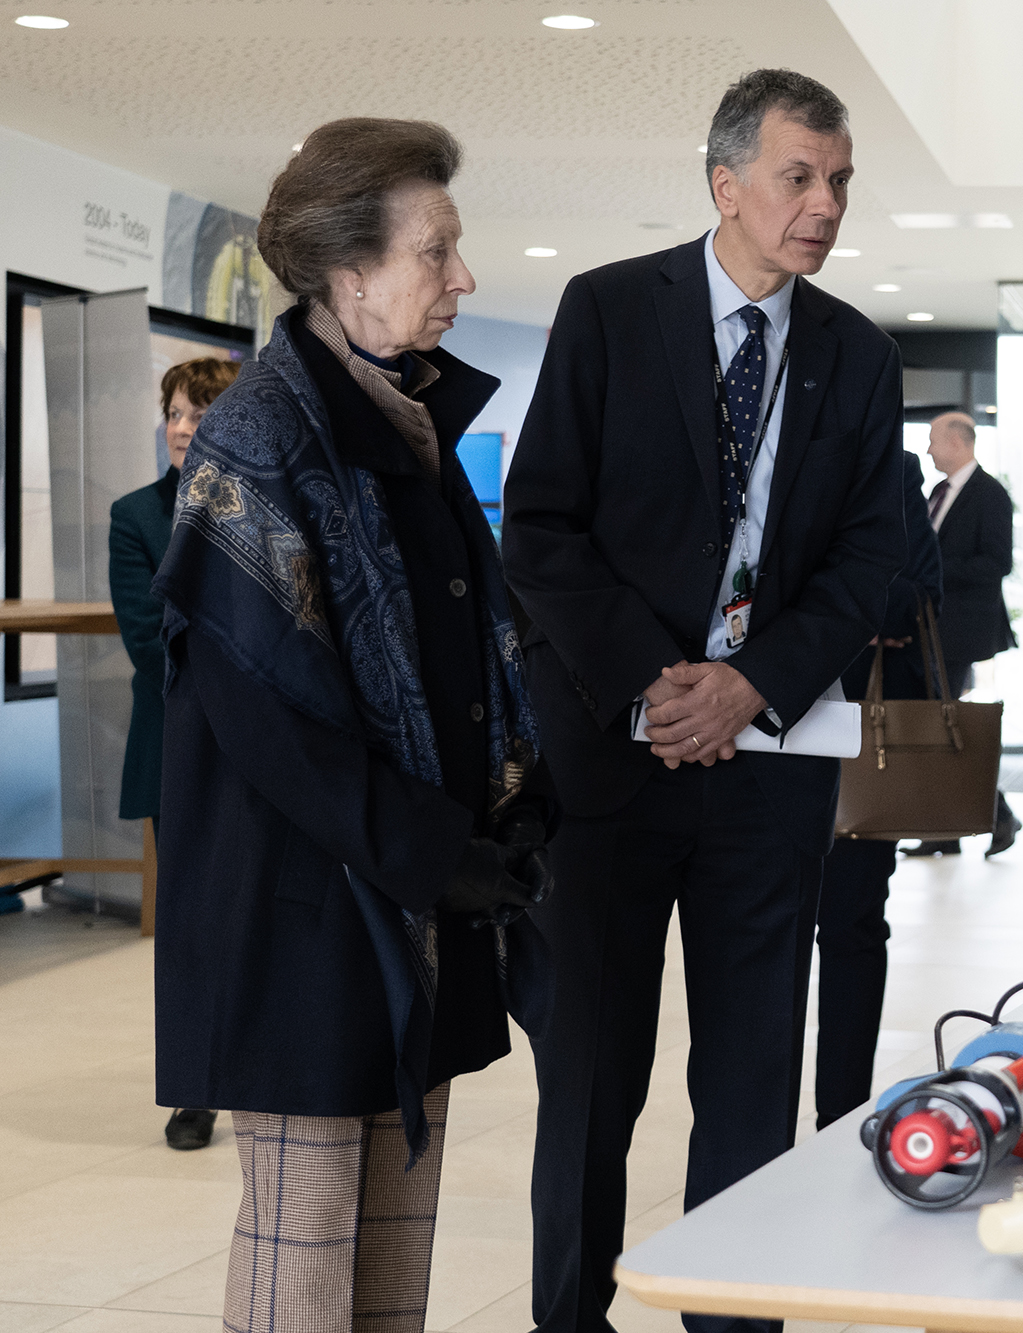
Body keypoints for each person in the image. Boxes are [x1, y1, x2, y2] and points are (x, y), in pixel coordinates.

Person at [502, 69, 905, 1333]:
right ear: (725, 184)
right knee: (590, 1079)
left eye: (839, 180)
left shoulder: (857, 352)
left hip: (770, 768)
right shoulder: (611, 309)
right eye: (799, 176)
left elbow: (871, 562)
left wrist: (749, 684)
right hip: (612, 766)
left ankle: (733, 1318)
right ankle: (568, 1317)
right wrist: (655, 684)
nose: (825, 203)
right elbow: (542, 526)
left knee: (747, 1082)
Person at [150, 117, 554, 1333]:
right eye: (437, 252)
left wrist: (507, 805)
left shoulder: (401, 422)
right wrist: (434, 847)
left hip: (404, 886)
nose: (461, 278)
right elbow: (263, 710)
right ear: (350, 272)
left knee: (393, 1238)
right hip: (304, 901)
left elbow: (468, 645)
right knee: (304, 1237)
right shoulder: (261, 435)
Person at [109, 354, 238, 1152]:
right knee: (189, 926)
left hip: (267, 751)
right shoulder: (136, 514)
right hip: (179, 742)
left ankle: (253, 1063)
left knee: (250, 918)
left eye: (197, 414)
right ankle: (194, 1086)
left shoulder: (258, 501)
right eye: (174, 412)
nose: (182, 428)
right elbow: (146, 638)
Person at [815, 449, 944, 1128]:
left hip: (868, 742)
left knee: (852, 924)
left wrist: (826, 601)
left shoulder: (889, 473)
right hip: (752, 738)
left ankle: (839, 1115)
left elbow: (919, 593)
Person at [905, 409, 1019, 856]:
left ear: (958, 442)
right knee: (939, 725)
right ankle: (948, 830)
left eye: (933, 439)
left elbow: (996, 563)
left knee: (945, 724)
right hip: (930, 629)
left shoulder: (989, 494)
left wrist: (930, 571)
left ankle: (997, 816)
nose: (928, 448)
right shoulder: (937, 491)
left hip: (960, 631)